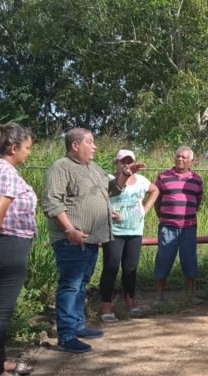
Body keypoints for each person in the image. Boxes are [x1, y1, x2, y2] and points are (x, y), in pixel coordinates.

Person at [43, 127, 143, 353]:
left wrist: (125, 175)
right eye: (90, 142)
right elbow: (52, 202)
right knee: (70, 285)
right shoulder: (61, 168)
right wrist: (69, 229)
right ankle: (66, 336)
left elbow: (112, 191)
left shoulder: (94, 168)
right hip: (72, 239)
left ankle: (78, 326)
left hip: (91, 239)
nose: (95, 146)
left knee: (80, 284)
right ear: (75, 145)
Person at [0, 124, 35, 375]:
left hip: (3, 243)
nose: (28, 153)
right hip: (9, 244)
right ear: (13, 148)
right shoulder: (5, 172)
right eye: (26, 148)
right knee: (1, 310)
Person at [99, 149, 159, 322]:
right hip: (114, 231)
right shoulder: (109, 180)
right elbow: (98, 200)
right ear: (116, 164)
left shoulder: (141, 180)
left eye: (129, 161)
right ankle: (106, 306)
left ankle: (130, 303)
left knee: (131, 268)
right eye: (122, 161)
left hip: (135, 231)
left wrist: (146, 209)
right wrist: (108, 211)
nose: (126, 164)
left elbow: (155, 190)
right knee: (111, 268)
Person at [153, 147, 203, 305]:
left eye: (183, 157)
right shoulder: (163, 177)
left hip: (189, 227)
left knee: (190, 260)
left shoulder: (197, 179)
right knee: (163, 259)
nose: (180, 159)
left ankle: (190, 295)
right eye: (177, 156)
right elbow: (157, 200)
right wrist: (163, 217)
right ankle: (159, 297)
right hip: (168, 227)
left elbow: (198, 201)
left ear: (191, 161)